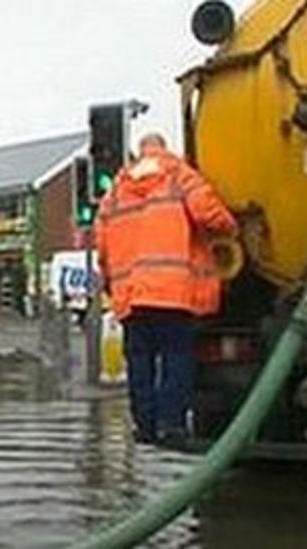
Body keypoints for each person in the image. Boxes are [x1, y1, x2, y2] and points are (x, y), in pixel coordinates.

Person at [95, 132, 237, 446]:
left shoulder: (116, 191)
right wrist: (232, 228)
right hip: (173, 294)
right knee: (176, 357)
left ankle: (145, 427)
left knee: (139, 362)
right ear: (164, 148)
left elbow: (101, 246)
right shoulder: (179, 174)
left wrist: (110, 282)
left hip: (132, 298)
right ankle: (171, 424)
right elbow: (209, 214)